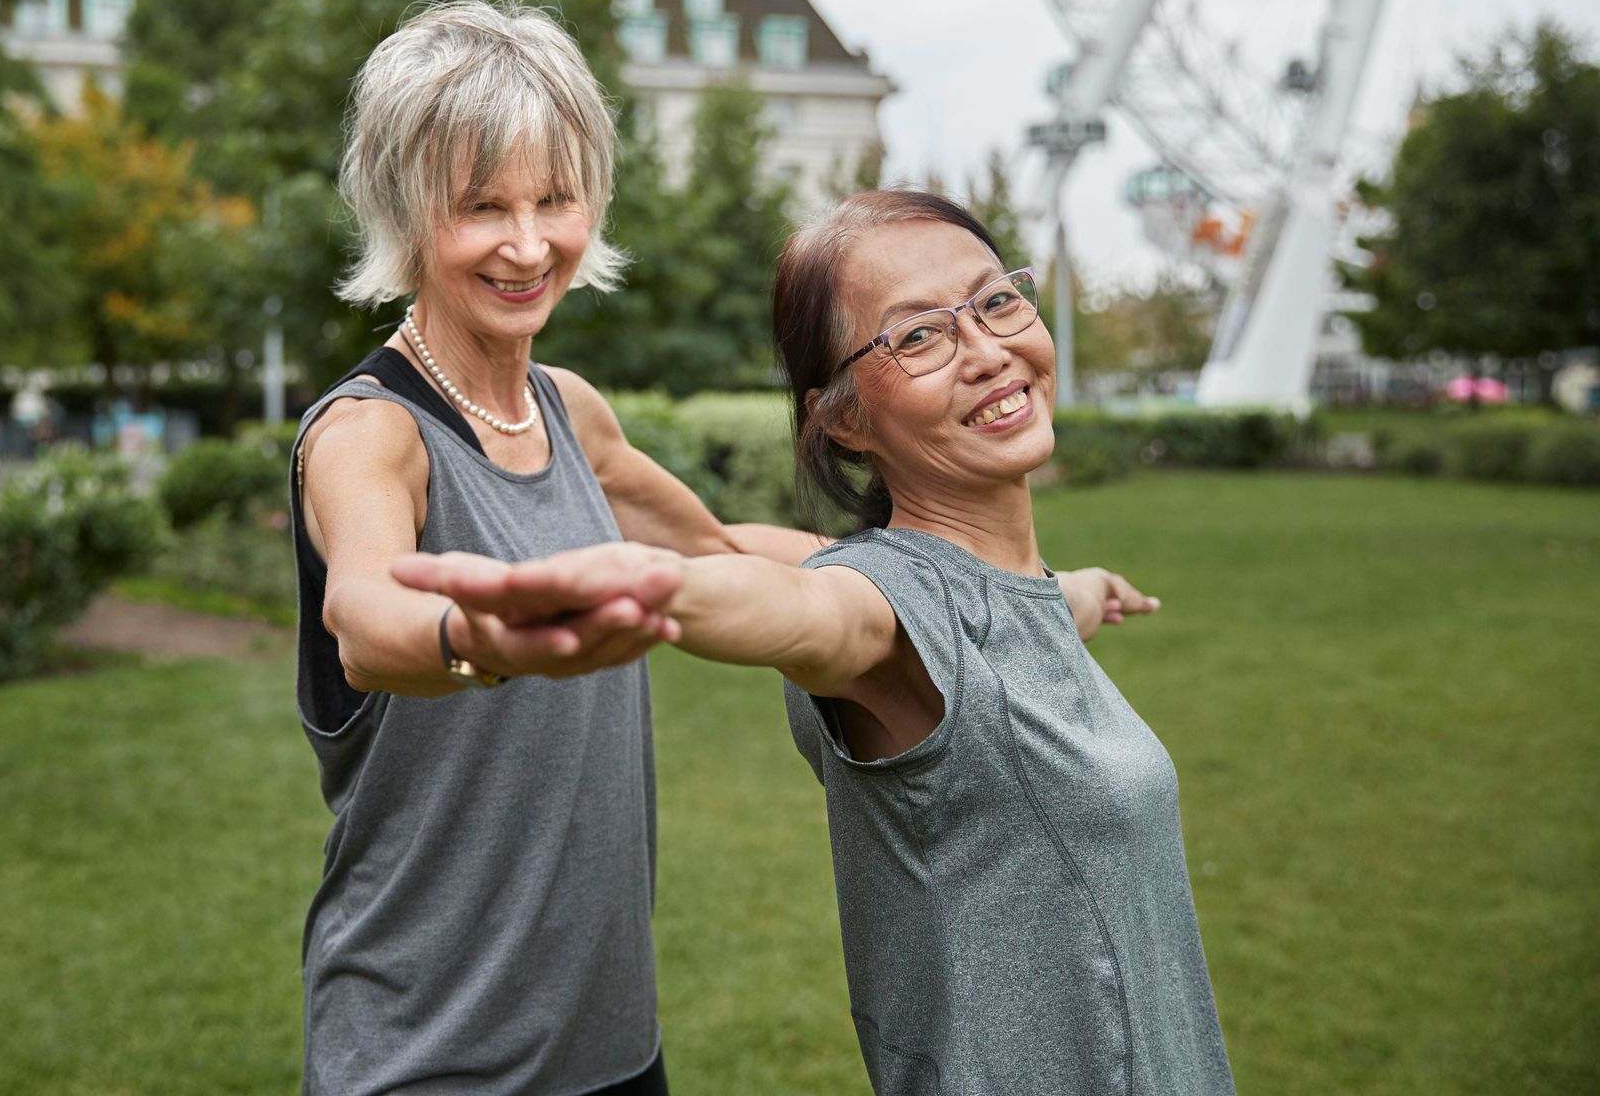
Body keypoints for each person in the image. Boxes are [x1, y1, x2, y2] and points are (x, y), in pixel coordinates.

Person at [293, 1, 1154, 1095]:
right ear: (406, 213)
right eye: (481, 207)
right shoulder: (368, 433)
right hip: (424, 1052)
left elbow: (727, 547)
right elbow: (366, 621)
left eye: (554, 199)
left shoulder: (568, 411)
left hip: (607, 1045)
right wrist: (483, 633)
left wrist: (1034, 594)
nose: (528, 243)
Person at [395, 190, 1232, 1095]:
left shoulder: (1000, 596)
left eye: (995, 301)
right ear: (843, 419)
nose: (989, 352)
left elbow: (1010, 614)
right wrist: (652, 590)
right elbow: (804, 611)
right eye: (917, 337)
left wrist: (1085, 592)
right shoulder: (883, 607)